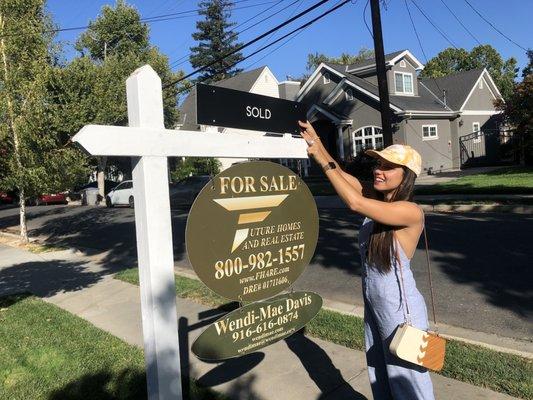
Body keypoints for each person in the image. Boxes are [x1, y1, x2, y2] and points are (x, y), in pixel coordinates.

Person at [298, 120, 435, 400]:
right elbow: (345, 178)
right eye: (378, 165)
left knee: (407, 379)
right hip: (375, 302)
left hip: (401, 309)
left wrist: (323, 163)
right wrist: (317, 146)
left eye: (387, 167)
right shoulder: (380, 200)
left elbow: (354, 202)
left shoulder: (409, 211)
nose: (378, 171)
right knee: (380, 373)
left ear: (406, 174)